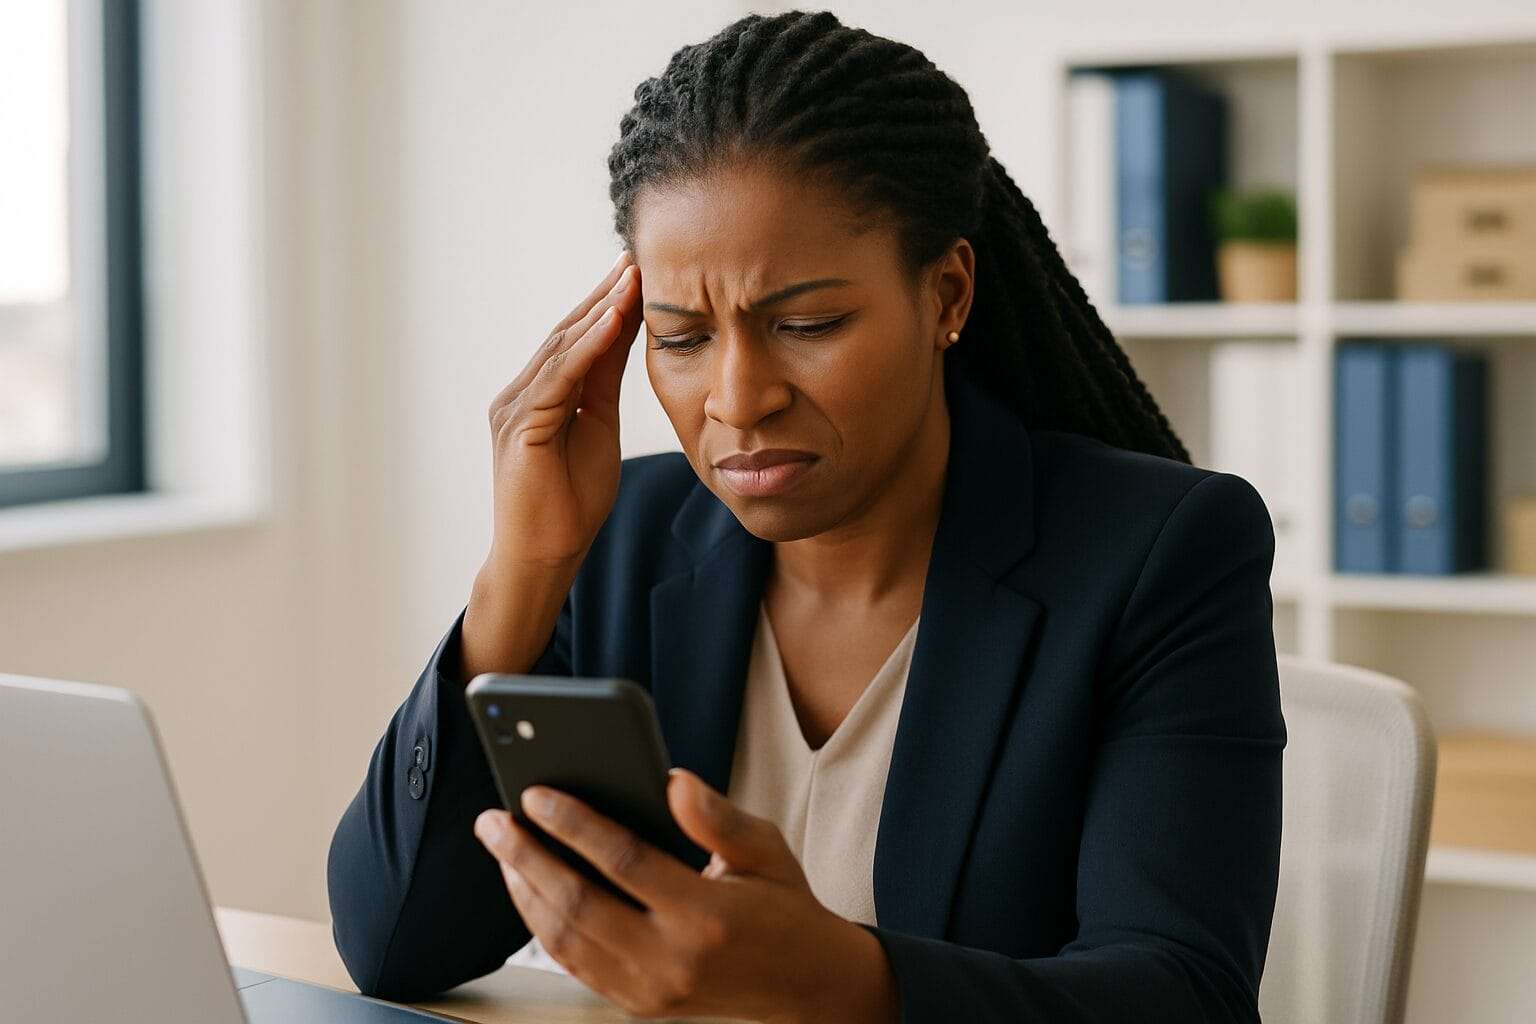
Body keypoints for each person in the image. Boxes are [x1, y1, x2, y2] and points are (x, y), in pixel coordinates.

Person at [326, 9, 1286, 1023]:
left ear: (946, 294)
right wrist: (519, 572)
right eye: (681, 337)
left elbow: (1186, 995)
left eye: (806, 323)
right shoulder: (617, 538)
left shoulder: (1159, 553)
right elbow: (392, 944)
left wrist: (837, 982)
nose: (738, 399)